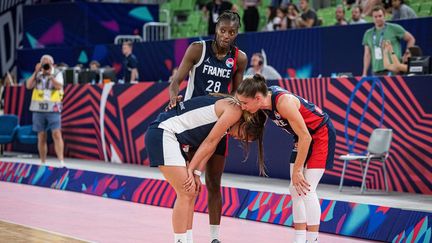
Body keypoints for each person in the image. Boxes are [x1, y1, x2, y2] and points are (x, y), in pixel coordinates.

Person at [167, 11, 247, 243]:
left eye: (232, 32)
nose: (226, 35)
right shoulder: (197, 49)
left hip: (220, 124)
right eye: (223, 30)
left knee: (214, 183)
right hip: (194, 125)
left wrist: (221, 96)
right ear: (216, 28)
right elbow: (175, 81)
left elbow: (237, 96)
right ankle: (187, 236)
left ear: (237, 33)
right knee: (190, 184)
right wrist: (174, 96)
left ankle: (214, 238)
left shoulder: (239, 58)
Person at [145, 94, 266, 243]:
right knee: (186, 191)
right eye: (242, 135)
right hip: (164, 132)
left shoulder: (229, 119)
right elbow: (209, 141)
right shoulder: (234, 111)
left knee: (192, 190)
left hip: (172, 137)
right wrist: (191, 170)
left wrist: (196, 173)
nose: (238, 138)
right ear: (245, 123)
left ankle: (187, 240)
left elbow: (211, 147)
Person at [235, 74, 336, 243]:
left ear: (258, 98)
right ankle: (299, 239)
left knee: (307, 189)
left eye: (245, 103)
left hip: (319, 135)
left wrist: (298, 170)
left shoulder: (283, 103)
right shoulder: (262, 102)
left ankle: (313, 240)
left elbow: (306, 137)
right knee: (294, 189)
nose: (243, 107)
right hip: (302, 137)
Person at [26, 55, 65, 167]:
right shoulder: (38, 74)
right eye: (43, 63)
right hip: (38, 108)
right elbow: (28, 86)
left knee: (56, 134)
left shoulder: (57, 73)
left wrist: (50, 76)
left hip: (53, 108)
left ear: (52, 64)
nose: (45, 65)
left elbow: (59, 86)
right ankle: (43, 162)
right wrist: (35, 72)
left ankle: (61, 161)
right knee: (41, 136)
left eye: (47, 63)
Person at [362, 5, 415, 76]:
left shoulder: (394, 28)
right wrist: (364, 73)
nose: (378, 18)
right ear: (372, 18)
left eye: (380, 16)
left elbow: (411, 39)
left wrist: (407, 53)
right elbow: (367, 54)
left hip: (393, 69)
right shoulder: (368, 33)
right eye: (375, 17)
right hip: (376, 71)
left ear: (385, 16)